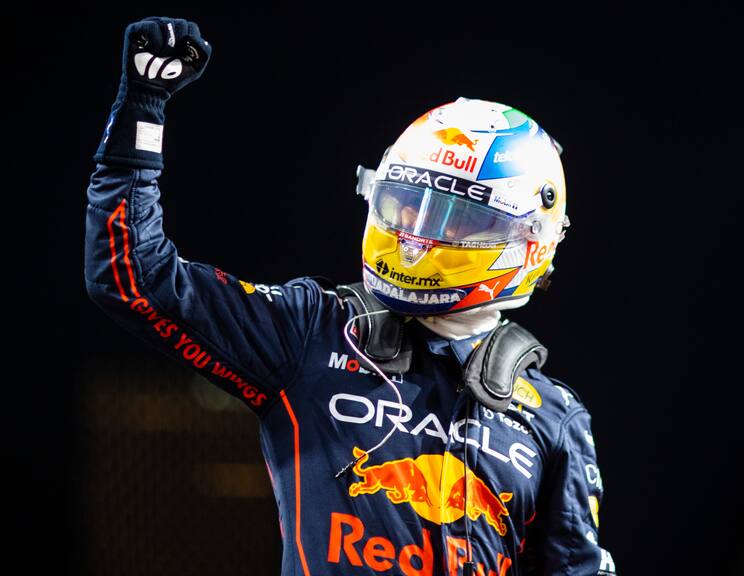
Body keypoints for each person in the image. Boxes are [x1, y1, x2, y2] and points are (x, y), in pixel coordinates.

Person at [84, 16, 617, 576]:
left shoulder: (555, 419)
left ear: (527, 239)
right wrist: (143, 109)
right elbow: (132, 279)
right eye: (406, 206)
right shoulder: (314, 331)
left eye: (452, 217)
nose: (414, 234)